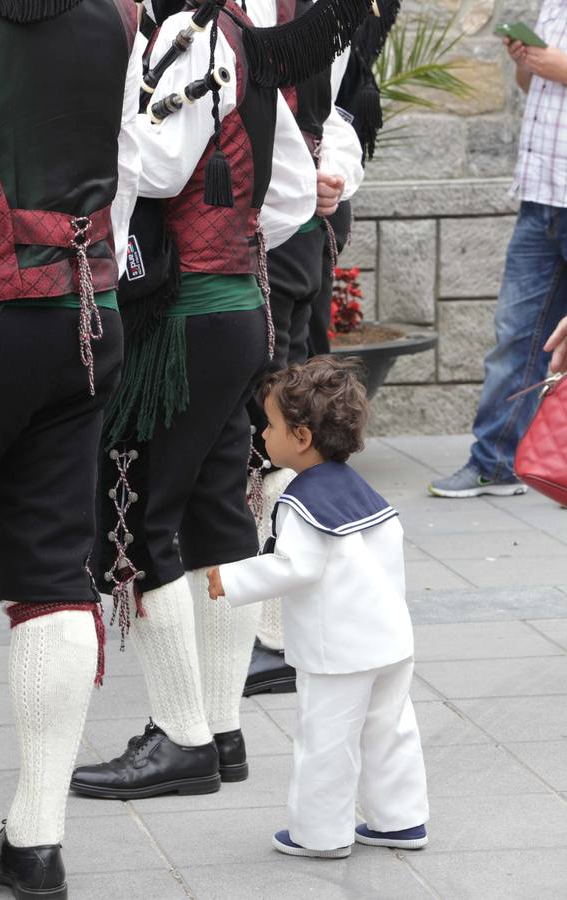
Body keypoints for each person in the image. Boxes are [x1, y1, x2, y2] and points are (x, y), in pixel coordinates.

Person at [70, 0, 319, 802]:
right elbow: (293, 196)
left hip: (184, 324)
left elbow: (160, 170)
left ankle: (182, 738)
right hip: (237, 307)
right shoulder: (240, 38)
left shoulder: (191, 38)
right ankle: (219, 729)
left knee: (137, 520)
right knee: (216, 513)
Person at [0, 0, 142, 896]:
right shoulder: (121, 10)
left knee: (51, 577)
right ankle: (38, 846)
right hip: (85, 310)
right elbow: (135, 160)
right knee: (52, 575)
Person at [207, 357, 429, 858]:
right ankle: (400, 820)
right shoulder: (362, 491)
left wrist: (232, 578)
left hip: (338, 653)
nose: (263, 433)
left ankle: (320, 833)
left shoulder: (302, 501)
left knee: (326, 740)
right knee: (389, 730)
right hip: (390, 641)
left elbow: (296, 566)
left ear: (302, 437)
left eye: (270, 425)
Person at [242, 0, 365, 698]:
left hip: (277, 243)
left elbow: (338, 114)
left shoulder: (316, 13)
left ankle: (278, 636)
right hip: (269, 236)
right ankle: (286, 628)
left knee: (280, 428)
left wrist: (328, 176)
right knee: (282, 423)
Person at [429, 2, 567, 498]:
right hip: (541, 196)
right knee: (516, 337)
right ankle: (495, 463)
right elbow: (535, 88)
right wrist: (527, 62)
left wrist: (559, 65)